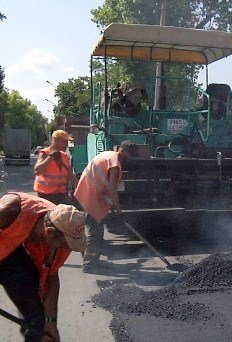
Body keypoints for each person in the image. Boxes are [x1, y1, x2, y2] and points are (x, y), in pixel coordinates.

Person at [0, 192, 86, 342]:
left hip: (10, 252)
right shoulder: (10, 210)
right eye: (65, 243)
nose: (67, 248)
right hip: (6, 247)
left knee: (37, 318)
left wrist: (50, 322)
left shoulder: (59, 237)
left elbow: (51, 279)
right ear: (49, 233)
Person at [74, 140, 137, 272]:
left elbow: (106, 186)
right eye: (130, 155)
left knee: (97, 231)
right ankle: (89, 265)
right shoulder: (115, 164)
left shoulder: (109, 155)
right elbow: (113, 190)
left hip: (88, 192)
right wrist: (119, 210)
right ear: (123, 151)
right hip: (90, 196)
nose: (130, 158)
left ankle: (94, 260)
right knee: (94, 233)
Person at [34, 130, 77, 205]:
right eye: (65, 142)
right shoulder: (45, 153)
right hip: (45, 195)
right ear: (56, 140)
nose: (66, 145)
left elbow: (70, 175)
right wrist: (51, 157)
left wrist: (79, 187)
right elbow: (37, 171)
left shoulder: (64, 156)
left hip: (60, 194)